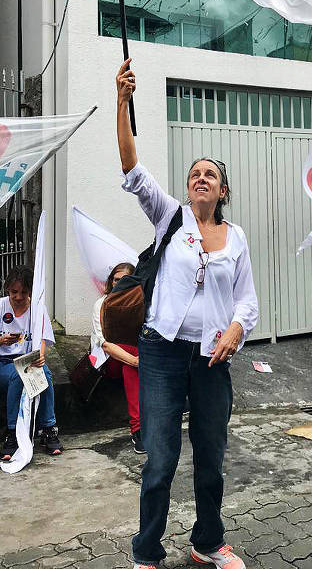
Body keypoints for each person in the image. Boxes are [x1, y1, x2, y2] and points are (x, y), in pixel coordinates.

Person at [116, 59, 258, 569]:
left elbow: (248, 299)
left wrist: (237, 330)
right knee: (159, 459)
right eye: (196, 173)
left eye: (211, 175)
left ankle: (207, 542)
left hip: (213, 359)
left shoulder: (236, 236)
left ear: (222, 191)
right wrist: (121, 100)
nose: (201, 178)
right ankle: (147, 550)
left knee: (211, 458)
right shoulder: (168, 215)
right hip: (161, 352)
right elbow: (132, 168)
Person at [0, 266, 63, 460]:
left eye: (23, 293)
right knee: (19, 375)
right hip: (0, 365)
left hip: (28, 363)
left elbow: (43, 339)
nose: (18, 297)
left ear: (30, 292)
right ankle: (12, 433)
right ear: (7, 289)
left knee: (46, 372)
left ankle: (49, 428)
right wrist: (1, 341)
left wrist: (41, 356)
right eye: (14, 292)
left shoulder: (37, 308)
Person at [91, 261, 144, 453]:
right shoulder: (102, 304)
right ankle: (138, 430)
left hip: (137, 360)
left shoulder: (140, 302)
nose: (119, 284)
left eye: (125, 280)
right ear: (111, 281)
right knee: (129, 360)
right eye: (116, 280)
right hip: (108, 361)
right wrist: (135, 361)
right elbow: (104, 344)